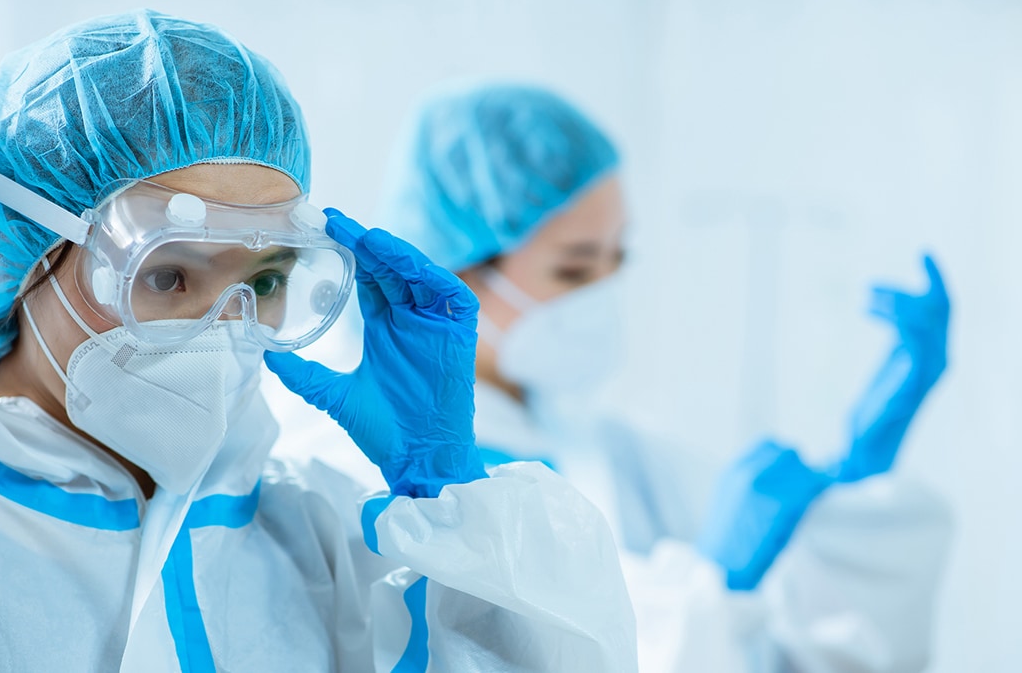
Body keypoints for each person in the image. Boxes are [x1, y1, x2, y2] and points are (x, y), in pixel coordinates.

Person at [0, 14, 638, 671]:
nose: (224, 330)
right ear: (24, 259)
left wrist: (450, 493)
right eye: (172, 275)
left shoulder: (330, 540)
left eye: (268, 282)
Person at [358, 82, 952, 671]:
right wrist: (711, 590)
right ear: (451, 270)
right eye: (574, 269)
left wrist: (861, 481)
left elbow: (803, 641)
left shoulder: (606, 450)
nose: (600, 297)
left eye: (617, 260)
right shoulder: (384, 471)